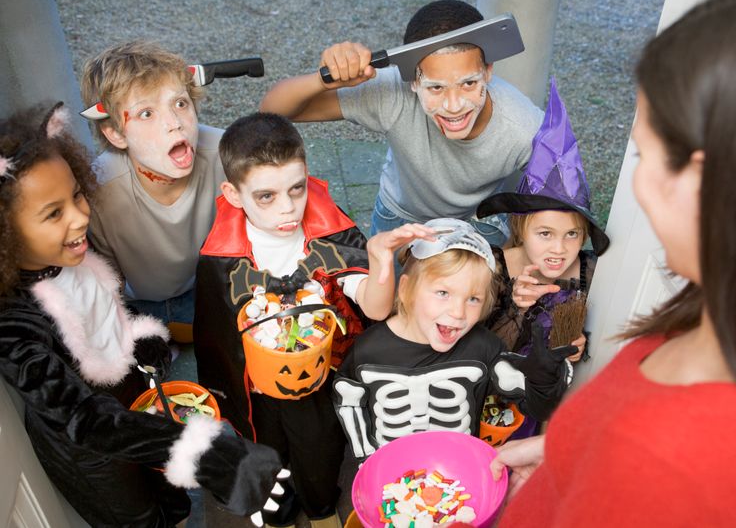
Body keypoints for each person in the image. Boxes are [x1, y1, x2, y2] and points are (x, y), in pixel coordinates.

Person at [468, 0, 736, 526]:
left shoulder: (676, 461)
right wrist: (566, 453)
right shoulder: (708, 317)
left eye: (643, 153)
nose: (638, 186)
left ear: (698, 179)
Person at [0, 103, 289, 528]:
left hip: (135, 399)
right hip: (97, 452)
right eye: (54, 213)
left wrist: (143, 336)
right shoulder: (14, 326)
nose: (81, 216)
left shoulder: (69, 255)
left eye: (77, 195)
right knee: (141, 517)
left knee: (170, 497)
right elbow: (84, 419)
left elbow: (106, 307)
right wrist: (206, 454)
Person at [193, 112, 435, 528]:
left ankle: (322, 509)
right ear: (233, 194)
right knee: (265, 451)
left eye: (297, 189)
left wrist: (379, 261)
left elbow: (375, 309)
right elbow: (215, 335)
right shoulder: (221, 259)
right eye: (266, 196)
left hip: (320, 378)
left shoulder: (329, 235)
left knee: (320, 450)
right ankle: (280, 514)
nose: (287, 207)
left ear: (307, 177)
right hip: (258, 387)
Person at [259, 0, 544, 246]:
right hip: (401, 214)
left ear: (488, 71)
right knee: (386, 302)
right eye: (435, 88)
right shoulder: (390, 94)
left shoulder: (523, 127)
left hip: (479, 218)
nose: (454, 105)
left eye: (468, 83)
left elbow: (561, 205)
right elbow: (272, 110)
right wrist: (325, 79)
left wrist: (516, 248)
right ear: (413, 81)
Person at [332, 218, 577, 462]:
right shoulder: (369, 350)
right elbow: (349, 401)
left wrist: (543, 381)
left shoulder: (483, 348)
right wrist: (366, 459)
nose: (458, 312)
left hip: (460, 475)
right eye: (443, 293)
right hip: (388, 476)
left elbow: (538, 407)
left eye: (473, 299)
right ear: (406, 290)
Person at [478, 78, 610, 438]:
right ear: (521, 230)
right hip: (499, 391)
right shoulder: (498, 265)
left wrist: (577, 348)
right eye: (545, 234)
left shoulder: (590, 270)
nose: (559, 248)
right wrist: (517, 308)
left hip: (553, 400)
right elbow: (484, 349)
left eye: (572, 234)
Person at [79, 40, 226, 342]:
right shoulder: (98, 190)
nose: (175, 124)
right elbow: (106, 277)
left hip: (210, 287)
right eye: (146, 113)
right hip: (138, 304)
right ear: (116, 134)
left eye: (180, 103)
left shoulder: (226, 155)